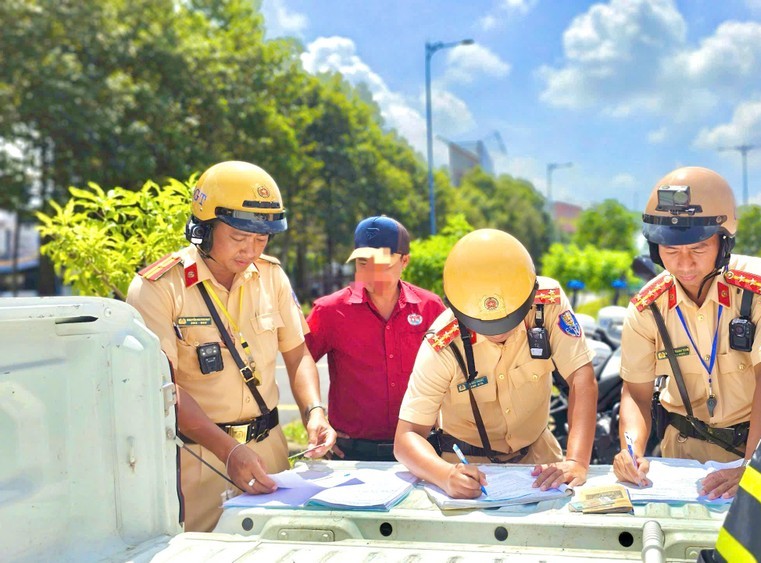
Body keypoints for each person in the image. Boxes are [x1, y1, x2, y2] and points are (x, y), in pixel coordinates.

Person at [126, 161, 336, 531]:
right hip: (198, 460)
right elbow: (165, 390)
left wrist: (314, 412)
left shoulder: (271, 276)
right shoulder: (159, 288)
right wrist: (229, 451)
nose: (251, 249)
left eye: (262, 238)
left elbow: (297, 353)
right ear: (204, 227)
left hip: (270, 454)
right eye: (239, 237)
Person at [612, 166, 761, 499]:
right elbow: (636, 393)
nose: (684, 265)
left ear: (724, 242)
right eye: (671, 251)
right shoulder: (647, 306)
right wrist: (631, 450)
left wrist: (752, 463)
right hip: (682, 453)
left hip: (760, 447)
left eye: (698, 249)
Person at [394, 229, 598, 498]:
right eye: (484, 326)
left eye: (510, 320)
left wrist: (576, 462)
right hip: (468, 471)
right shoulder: (442, 343)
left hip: (541, 464)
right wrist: (444, 475)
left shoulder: (547, 303)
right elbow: (406, 438)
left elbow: (582, 377)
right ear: (458, 310)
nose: (499, 332)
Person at [305, 216, 445, 461]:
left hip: (422, 450)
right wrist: (315, 414)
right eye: (363, 263)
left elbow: (456, 369)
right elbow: (300, 361)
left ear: (405, 261)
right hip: (352, 453)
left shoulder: (430, 308)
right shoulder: (329, 311)